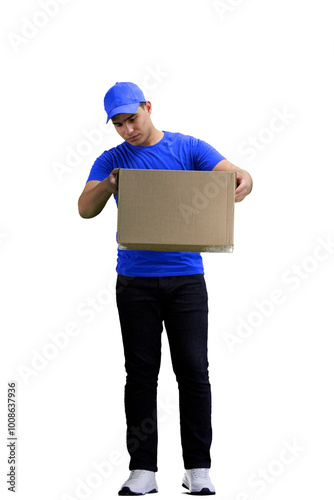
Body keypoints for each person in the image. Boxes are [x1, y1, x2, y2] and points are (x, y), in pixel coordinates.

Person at [78, 82, 253, 496]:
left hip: (186, 280)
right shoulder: (112, 159)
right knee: (140, 375)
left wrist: (245, 179)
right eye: (118, 124)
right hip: (135, 281)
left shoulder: (187, 148)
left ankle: (197, 467)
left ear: (148, 108)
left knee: (193, 371)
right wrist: (109, 185)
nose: (127, 130)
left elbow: (236, 175)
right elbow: (84, 208)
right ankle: (143, 470)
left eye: (132, 119)